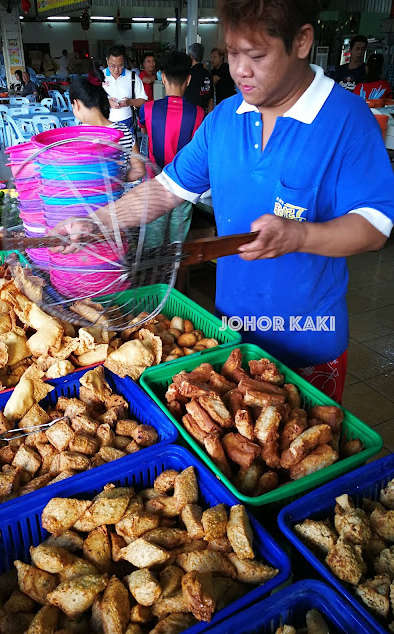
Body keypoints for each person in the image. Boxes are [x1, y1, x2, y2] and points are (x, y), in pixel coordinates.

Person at [56, 0, 394, 404]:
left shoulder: (347, 118)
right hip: (230, 330)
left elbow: (374, 226)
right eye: (233, 54)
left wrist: (300, 236)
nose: (240, 70)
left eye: (257, 55)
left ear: (302, 41)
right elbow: (167, 188)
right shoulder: (224, 118)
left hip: (309, 340)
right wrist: (98, 220)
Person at [138, 51, 204, 248]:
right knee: (177, 247)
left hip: (155, 183)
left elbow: (144, 131)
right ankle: (176, 277)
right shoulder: (198, 114)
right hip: (183, 185)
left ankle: (154, 278)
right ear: (189, 79)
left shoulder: (147, 109)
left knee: (152, 244)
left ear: (163, 77)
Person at [69, 68, 144, 183]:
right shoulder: (124, 132)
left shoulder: (77, 136)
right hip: (117, 197)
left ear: (77, 104)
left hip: (88, 197)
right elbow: (139, 170)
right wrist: (117, 180)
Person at [102, 45, 147, 128]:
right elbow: (90, 102)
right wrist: (106, 102)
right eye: (112, 66)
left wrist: (129, 102)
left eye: (120, 65)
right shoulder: (100, 76)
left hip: (127, 121)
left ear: (124, 62)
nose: (116, 70)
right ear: (107, 61)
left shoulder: (132, 77)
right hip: (104, 121)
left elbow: (143, 100)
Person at [184, 43, 214, 114]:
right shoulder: (208, 75)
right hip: (203, 115)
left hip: (189, 115)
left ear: (191, 57)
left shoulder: (188, 74)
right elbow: (211, 100)